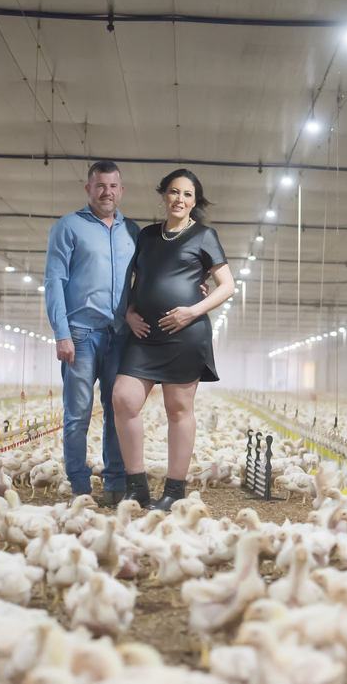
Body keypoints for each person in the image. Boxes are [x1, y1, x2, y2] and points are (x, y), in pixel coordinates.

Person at [112, 169, 236, 510]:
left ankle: (174, 491)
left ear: (195, 202)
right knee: (123, 398)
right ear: (164, 196)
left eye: (187, 195)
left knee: (178, 409)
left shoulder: (204, 236)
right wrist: (129, 311)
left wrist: (192, 311)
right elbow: (140, 279)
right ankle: (136, 487)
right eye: (173, 192)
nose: (179, 199)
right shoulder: (148, 236)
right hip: (144, 334)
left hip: (184, 334)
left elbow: (227, 285)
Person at [44, 160, 139, 506]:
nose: (107, 193)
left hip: (121, 336)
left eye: (113, 186)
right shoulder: (68, 227)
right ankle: (80, 487)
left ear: (121, 190)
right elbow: (55, 281)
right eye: (100, 186)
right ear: (89, 189)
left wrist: (193, 289)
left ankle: (115, 484)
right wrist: (61, 332)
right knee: (77, 415)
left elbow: (150, 278)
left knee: (118, 412)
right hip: (81, 335)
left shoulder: (134, 232)